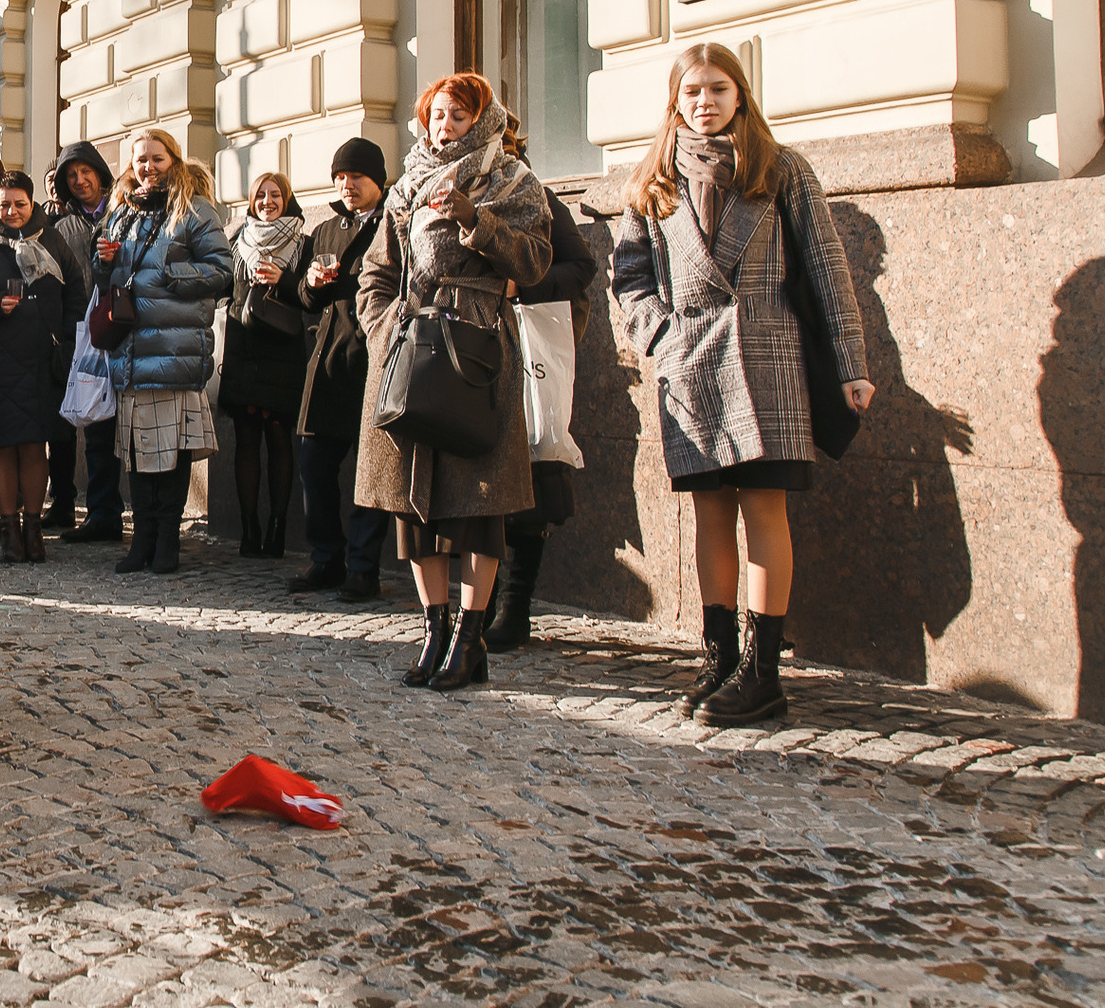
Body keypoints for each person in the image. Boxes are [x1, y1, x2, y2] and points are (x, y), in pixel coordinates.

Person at [611, 42, 873, 726]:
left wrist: (851, 363)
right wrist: (660, 338)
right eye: (692, 91)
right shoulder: (651, 179)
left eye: (718, 89)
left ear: (741, 95)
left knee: (764, 511)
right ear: (675, 101)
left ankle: (763, 671)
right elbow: (630, 278)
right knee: (710, 516)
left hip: (769, 359)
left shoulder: (779, 168)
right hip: (691, 363)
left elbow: (827, 267)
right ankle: (719, 655)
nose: (705, 102)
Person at [355, 75, 553, 692]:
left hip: (476, 355)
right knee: (417, 508)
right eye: (437, 115)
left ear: (483, 120)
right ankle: (433, 631)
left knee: (477, 504)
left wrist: (478, 221)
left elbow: (537, 261)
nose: (445, 126)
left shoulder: (512, 181)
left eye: (459, 116)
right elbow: (375, 271)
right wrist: (383, 326)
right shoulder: (407, 187)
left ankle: (471, 637)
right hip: (410, 355)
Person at [88, 128, 232, 575]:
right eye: (140, 161)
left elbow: (222, 270)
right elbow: (104, 280)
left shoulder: (194, 211)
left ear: (174, 161)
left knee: (169, 455)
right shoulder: (121, 213)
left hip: (174, 351)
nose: (147, 168)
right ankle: (142, 540)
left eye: (157, 159)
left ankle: (166, 542)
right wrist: (104, 262)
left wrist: (172, 276)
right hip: (131, 353)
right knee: (137, 453)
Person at [489, 123, 598, 653]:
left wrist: (522, 284)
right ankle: (475, 607)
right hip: (468, 355)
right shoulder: (443, 193)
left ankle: (515, 607)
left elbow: (582, 267)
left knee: (531, 483)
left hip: (527, 354)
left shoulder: (536, 195)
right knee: (475, 487)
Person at [280, 139, 391, 601]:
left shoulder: (393, 222)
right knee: (314, 464)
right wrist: (308, 282)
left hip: (373, 359)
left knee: (371, 470)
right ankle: (326, 557)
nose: (347, 185)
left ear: (378, 181)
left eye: (356, 177)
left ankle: (363, 568)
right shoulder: (324, 230)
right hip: (327, 362)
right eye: (340, 178)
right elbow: (308, 301)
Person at [0, 172, 75, 563]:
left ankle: (35, 530)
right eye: (4, 204)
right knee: (0, 445)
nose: (12, 211)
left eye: (20, 204)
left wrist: (67, 340)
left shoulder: (52, 240)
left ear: (32, 203)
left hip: (42, 358)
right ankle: (10, 531)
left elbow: (76, 294)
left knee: (35, 444)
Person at [220, 172, 307, 560]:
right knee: (246, 441)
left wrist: (283, 279)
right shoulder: (238, 240)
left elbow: (310, 293)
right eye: (260, 195)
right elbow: (224, 287)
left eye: (275, 195)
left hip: (283, 351)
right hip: (244, 351)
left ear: (286, 200)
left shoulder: (303, 242)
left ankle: (277, 526)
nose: (267, 202)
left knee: (278, 439)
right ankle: (249, 525)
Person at [45, 140, 121, 540]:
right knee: (95, 426)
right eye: (70, 175)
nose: (79, 181)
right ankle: (102, 513)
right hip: (85, 335)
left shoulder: (122, 211)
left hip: (127, 326)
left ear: (99, 172)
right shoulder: (61, 227)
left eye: (85, 171)